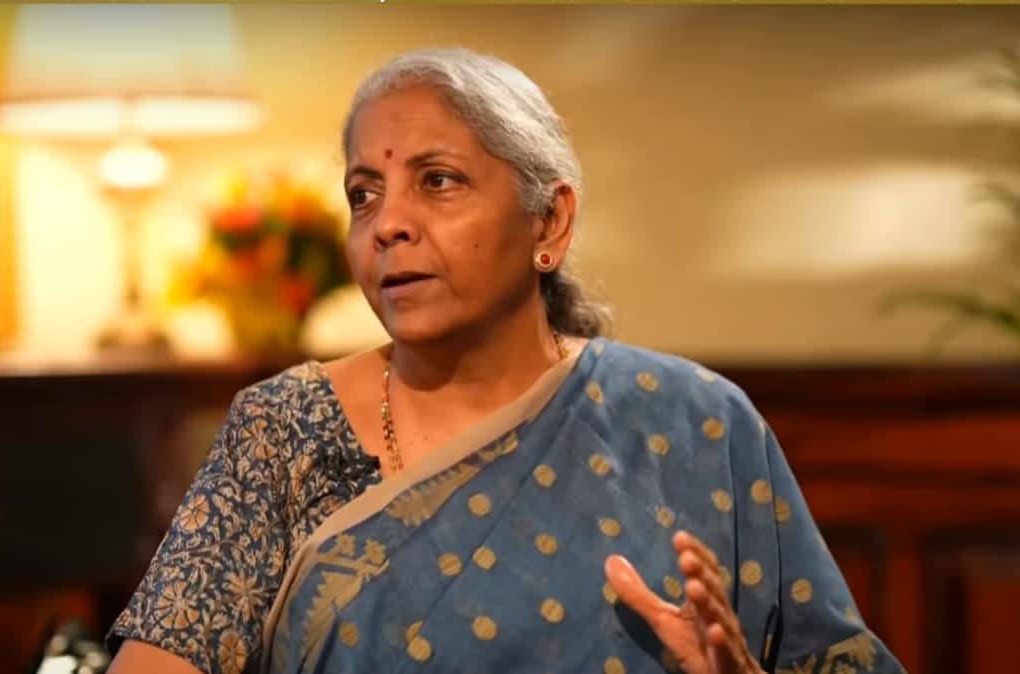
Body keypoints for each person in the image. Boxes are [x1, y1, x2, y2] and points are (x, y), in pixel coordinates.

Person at [106, 47, 904, 674]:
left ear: (548, 222)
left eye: (437, 181)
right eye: (363, 194)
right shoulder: (283, 431)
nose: (388, 224)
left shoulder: (695, 422)